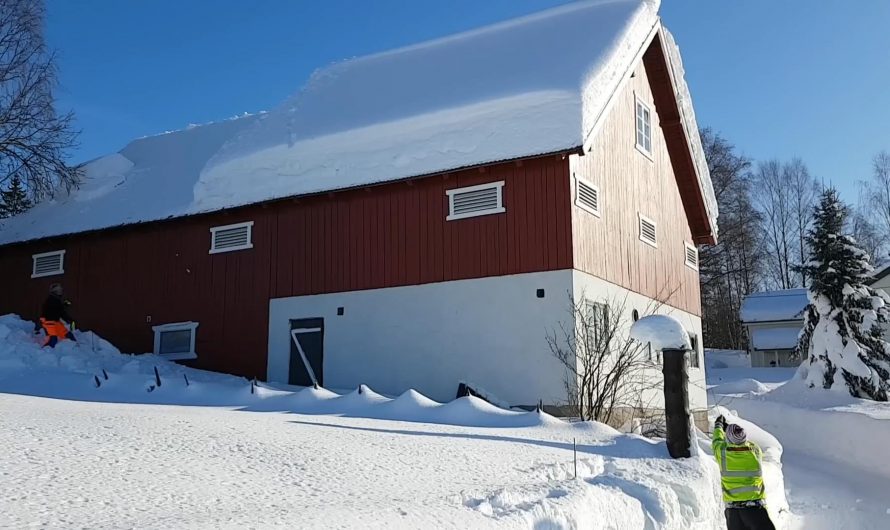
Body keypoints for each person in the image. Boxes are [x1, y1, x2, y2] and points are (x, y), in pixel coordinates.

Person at [713, 415, 776, 530]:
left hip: (733, 513)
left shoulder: (722, 453)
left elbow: (717, 440)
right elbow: (745, 442)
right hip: (755, 510)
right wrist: (731, 431)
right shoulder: (755, 451)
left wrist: (719, 426)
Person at [39, 283, 76, 348]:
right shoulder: (52, 300)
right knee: (53, 339)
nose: (61, 291)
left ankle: (75, 349)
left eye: (61, 290)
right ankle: (44, 353)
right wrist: (69, 319)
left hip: (55, 321)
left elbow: (58, 309)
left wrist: (64, 305)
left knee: (68, 335)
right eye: (59, 290)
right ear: (55, 291)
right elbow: (59, 311)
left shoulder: (55, 299)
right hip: (49, 322)